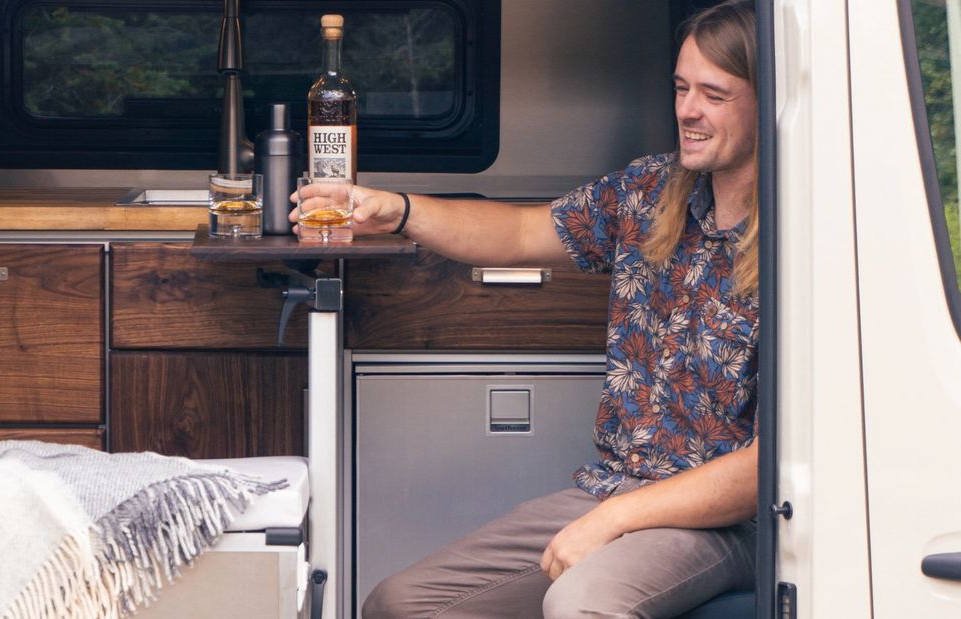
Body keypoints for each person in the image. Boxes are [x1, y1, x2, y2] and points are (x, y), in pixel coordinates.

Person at [291, 1, 760, 617]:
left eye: (713, 94)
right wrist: (395, 209)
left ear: (767, 100)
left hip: (724, 524)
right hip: (616, 490)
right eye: (680, 88)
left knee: (582, 603)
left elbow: (768, 466)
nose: (687, 111)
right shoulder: (650, 191)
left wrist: (618, 519)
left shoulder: (802, 239)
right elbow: (516, 232)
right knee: (400, 605)